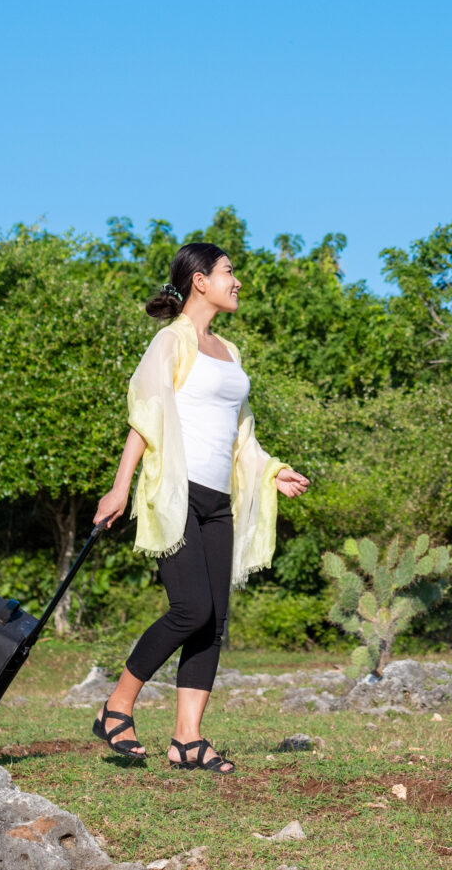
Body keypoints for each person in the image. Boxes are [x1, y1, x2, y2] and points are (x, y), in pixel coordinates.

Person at [90, 242, 310, 771]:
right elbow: (144, 416)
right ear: (200, 281)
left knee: (214, 620)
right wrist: (120, 488)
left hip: (219, 501)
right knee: (191, 610)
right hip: (178, 492)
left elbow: (242, 435)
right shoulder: (171, 342)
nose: (237, 282)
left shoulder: (230, 353)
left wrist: (273, 471)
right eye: (229, 273)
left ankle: (187, 739)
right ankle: (116, 706)